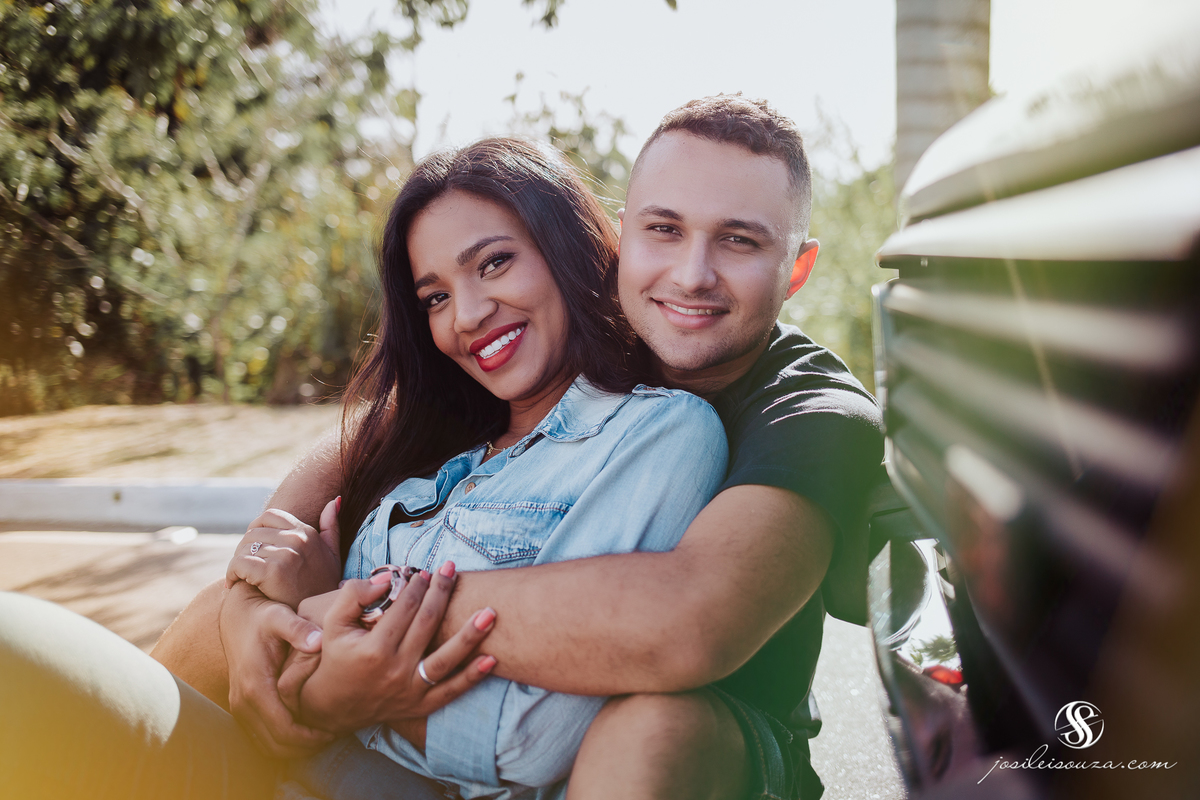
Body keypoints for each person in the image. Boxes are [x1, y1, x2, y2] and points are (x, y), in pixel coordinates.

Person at [159, 95, 885, 800]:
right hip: (458, 723)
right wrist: (250, 606)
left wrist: (340, 629)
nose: (692, 274)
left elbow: (685, 623)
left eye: (738, 240)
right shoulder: (553, 346)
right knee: (210, 629)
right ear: (623, 238)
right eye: (665, 229)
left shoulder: (809, 408)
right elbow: (367, 437)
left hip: (702, 738)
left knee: (651, 730)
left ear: (795, 268)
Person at [0, 136, 727, 800]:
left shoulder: (656, 432)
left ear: (567, 249)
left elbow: (530, 738)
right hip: (289, 761)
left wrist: (326, 677)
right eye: (435, 297)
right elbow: (264, 574)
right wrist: (262, 615)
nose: (467, 315)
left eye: (494, 262)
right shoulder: (439, 450)